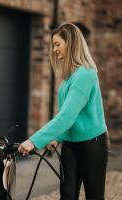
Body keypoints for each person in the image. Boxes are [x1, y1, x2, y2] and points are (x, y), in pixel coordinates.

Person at [18, 23, 110, 200]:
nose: (54, 49)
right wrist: (58, 137)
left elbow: (66, 117)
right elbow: (70, 115)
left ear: (71, 44)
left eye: (57, 44)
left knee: (94, 196)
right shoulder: (70, 77)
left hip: (92, 145)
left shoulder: (85, 75)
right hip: (70, 144)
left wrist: (33, 141)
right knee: (67, 195)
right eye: (53, 45)